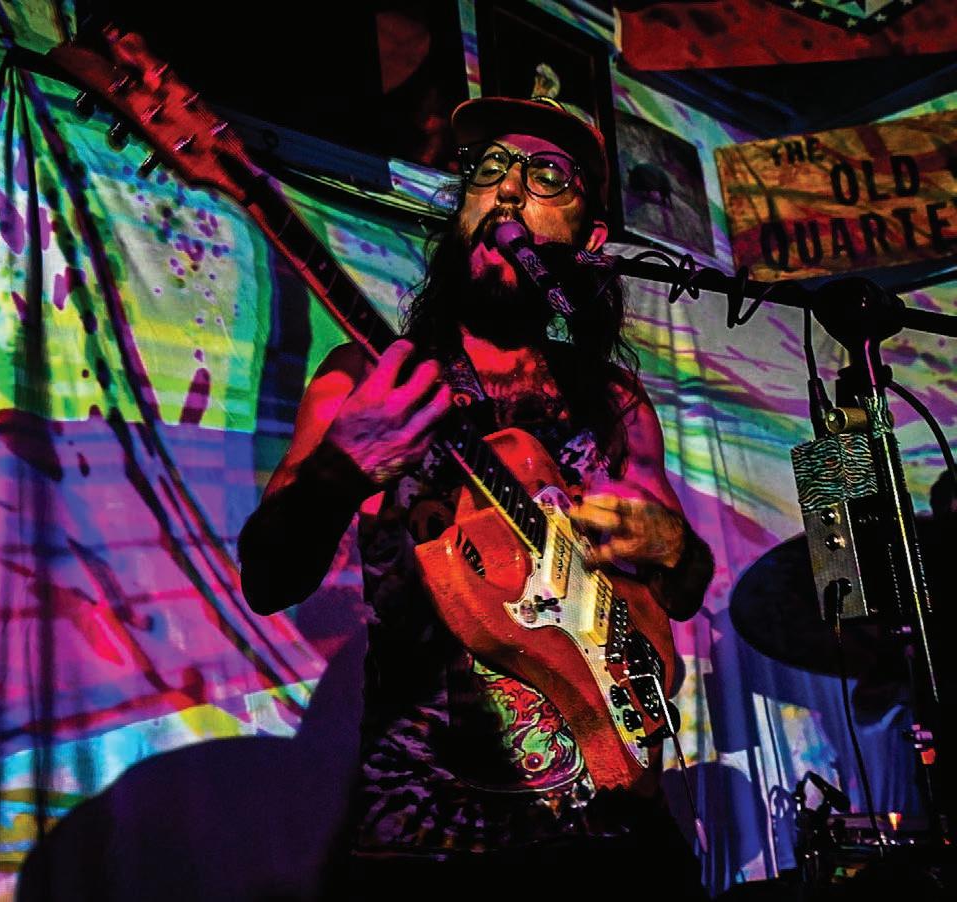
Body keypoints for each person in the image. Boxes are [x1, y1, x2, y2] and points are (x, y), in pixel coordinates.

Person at [237, 96, 714, 899]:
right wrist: (344, 469)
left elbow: (684, 590)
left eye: (546, 176)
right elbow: (267, 577)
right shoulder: (368, 378)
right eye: (489, 169)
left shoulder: (614, 401)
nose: (508, 190)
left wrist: (672, 546)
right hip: (433, 841)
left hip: (618, 830)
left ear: (592, 237)